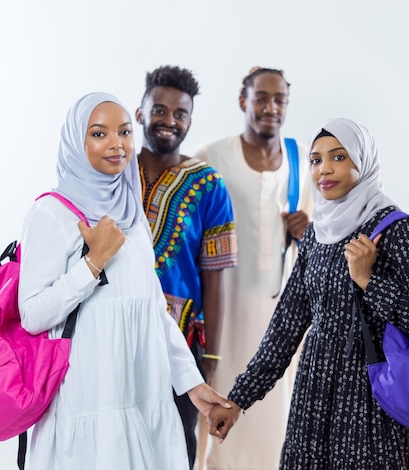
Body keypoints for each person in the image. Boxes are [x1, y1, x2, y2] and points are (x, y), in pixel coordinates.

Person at [208, 118, 409, 469]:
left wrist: (368, 280)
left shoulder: (398, 230)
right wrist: (238, 400)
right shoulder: (317, 235)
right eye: (316, 160)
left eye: (339, 157)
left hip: (370, 399)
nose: (324, 169)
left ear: (362, 161)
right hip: (313, 392)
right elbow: (286, 329)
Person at [17, 92, 231, 470]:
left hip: (143, 387)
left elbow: (153, 309)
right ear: (75, 142)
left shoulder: (132, 215)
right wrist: (93, 262)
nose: (117, 144)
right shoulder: (51, 213)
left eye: (124, 132)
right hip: (89, 393)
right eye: (99, 134)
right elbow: (33, 314)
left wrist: (192, 383)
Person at [192, 66, 314, 469]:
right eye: (261, 97)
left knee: (274, 417)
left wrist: (305, 231)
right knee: (216, 404)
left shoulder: (300, 164)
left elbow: (323, 247)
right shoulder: (211, 156)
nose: (270, 107)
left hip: (279, 317)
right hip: (223, 313)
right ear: (243, 101)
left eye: (279, 99)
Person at [135, 65, 238, 469]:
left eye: (180, 114)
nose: (169, 121)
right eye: (159, 110)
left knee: (177, 444)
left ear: (190, 121)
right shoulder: (116, 171)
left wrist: (210, 359)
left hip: (181, 340)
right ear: (140, 112)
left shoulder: (209, 184)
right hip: (113, 328)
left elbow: (214, 277)